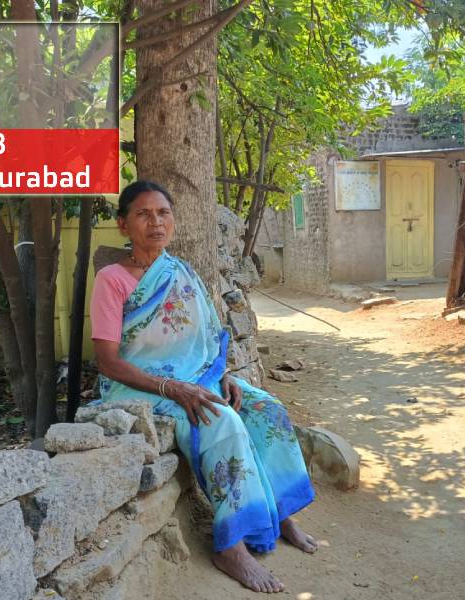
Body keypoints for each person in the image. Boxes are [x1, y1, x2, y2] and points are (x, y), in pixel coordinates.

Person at [88, 180, 317, 593]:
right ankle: (230, 546)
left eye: (163, 213)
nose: (155, 222)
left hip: (195, 380)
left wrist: (222, 374)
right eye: (143, 214)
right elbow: (107, 361)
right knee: (221, 420)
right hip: (139, 385)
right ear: (124, 225)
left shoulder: (181, 271)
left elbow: (206, 340)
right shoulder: (112, 279)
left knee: (266, 410)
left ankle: (278, 513)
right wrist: (173, 388)